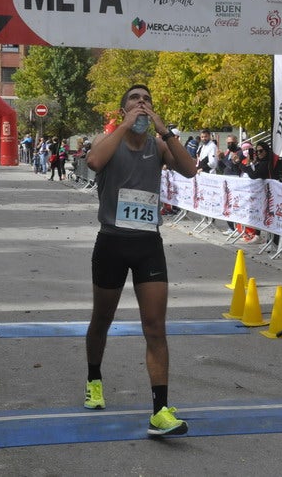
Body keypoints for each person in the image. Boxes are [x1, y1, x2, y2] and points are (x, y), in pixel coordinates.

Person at [83, 84, 197, 437]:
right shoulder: (112, 142)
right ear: (124, 109)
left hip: (148, 243)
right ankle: (94, 378)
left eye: (146, 100)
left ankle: (159, 411)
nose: (142, 104)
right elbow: (93, 161)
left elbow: (190, 170)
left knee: (155, 326)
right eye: (135, 99)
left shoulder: (158, 145)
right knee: (102, 319)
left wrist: (165, 130)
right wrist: (122, 126)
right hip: (112, 242)